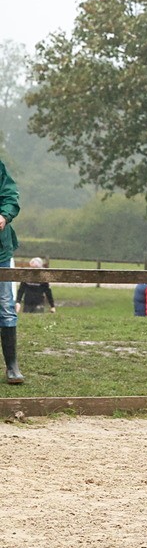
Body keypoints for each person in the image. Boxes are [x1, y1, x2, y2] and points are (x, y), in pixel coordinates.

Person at [0, 159, 22, 383]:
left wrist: (4, 216)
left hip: (0, 252)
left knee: (6, 305)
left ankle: (12, 366)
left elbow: (10, 196)